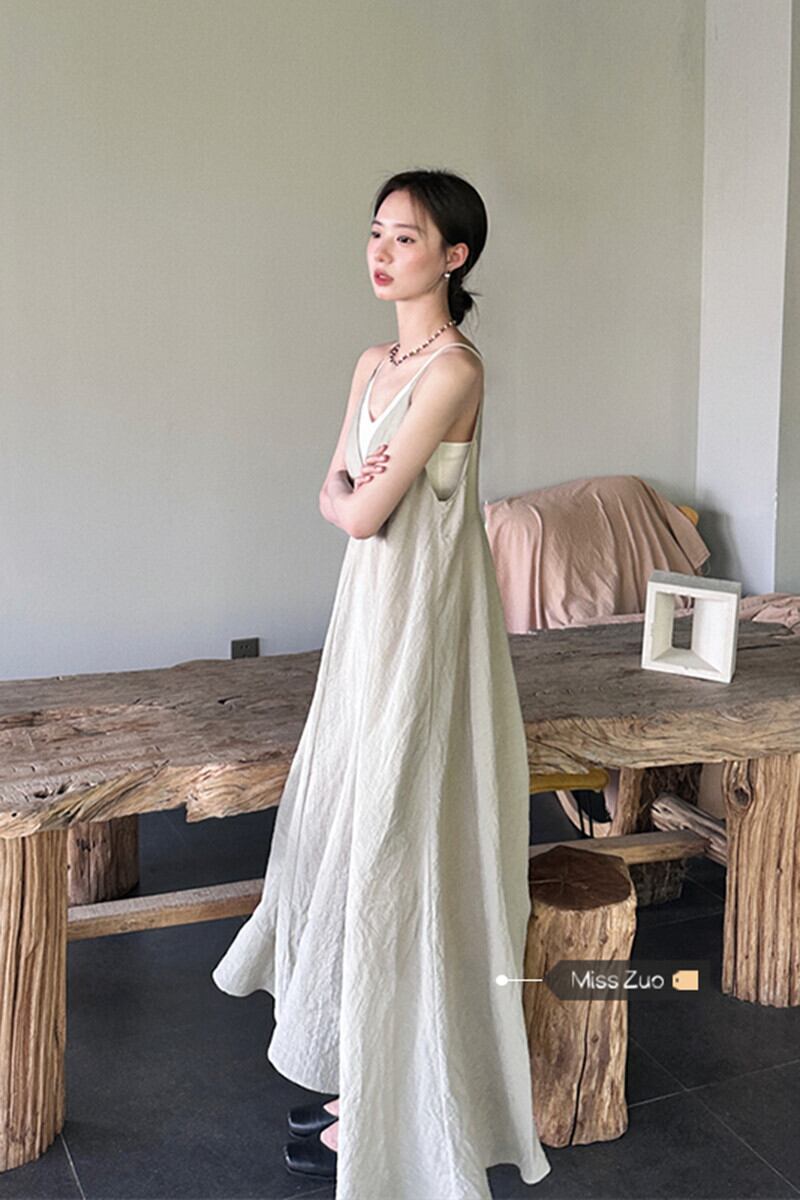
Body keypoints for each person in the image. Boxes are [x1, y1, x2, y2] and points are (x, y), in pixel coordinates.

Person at [211, 168, 551, 1200]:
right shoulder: (374, 362)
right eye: (376, 233)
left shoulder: (454, 370)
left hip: (424, 627)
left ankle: (394, 1094)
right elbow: (334, 483)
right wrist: (347, 496)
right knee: (354, 825)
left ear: (454, 255)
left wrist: (349, 498)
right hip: (368, 618)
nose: (383, 252)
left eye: (406, 237)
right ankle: (362, 1065)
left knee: (402, 835)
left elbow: (355, 509)